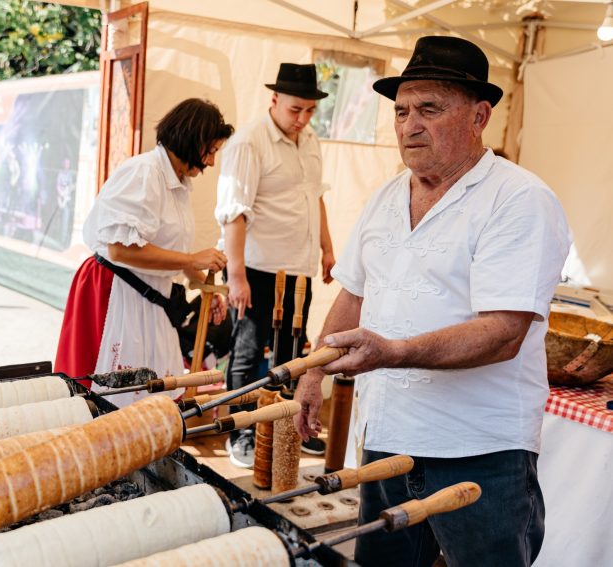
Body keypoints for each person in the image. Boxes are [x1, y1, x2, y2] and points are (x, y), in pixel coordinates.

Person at [294, 36, 571, 567]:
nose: (408, 125)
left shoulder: (519, 199)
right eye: (400, 112)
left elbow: (503, 331)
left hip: (480, 449)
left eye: (429, 109)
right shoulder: (385, 196)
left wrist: (393, 351)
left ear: (479, 115)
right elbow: (353, 291)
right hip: (389, 438)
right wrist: (313, 373)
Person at [55, 98, 233, 407]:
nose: (211, 162)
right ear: (194, 140)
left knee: (154, 391)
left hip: (150, 299)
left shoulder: (177, 183)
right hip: (115, 294)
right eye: (211, 151)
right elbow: (120, 249)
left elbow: (169, 248)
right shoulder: (143, 173)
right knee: (108, 396)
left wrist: (204, 283)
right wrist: (192, 259)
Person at [215, 63, 336, 468]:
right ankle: (243, 431)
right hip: (256, 268)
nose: (302, 119)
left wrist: (327, 250)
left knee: (290, 353)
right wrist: (236, 276)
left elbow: (313, 196)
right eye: (294, 110)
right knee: (248, 354)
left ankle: (284, 429)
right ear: (274, 100)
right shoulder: (249, 142)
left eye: (309, 111)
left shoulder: (311, 140)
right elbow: (235, 213)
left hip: (298, 268)